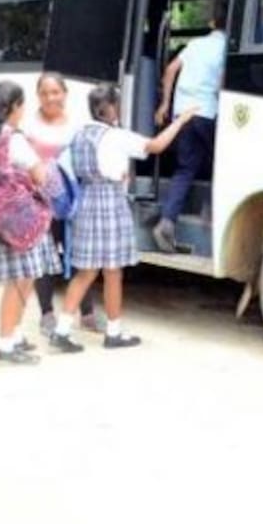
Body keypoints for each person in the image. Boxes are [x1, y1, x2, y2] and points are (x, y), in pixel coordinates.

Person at [51, 83, 196, 352]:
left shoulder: (81, 133)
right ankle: (114, 333)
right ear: (108, 108)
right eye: (116, 103)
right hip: (110, 203)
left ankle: (61, 331)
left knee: (85, 273)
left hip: (87, 202)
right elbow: (156, 146)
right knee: (113, 272)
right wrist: (182, 120)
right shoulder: (117, 136)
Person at [0, 80, 60, 365]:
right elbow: (39, 176)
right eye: (22, 105)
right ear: (14, 107)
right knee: (19, 283)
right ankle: (6, 346)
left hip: (1, 220)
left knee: (20, 280)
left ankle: (13, 336)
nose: (24, 110)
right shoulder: (13, 137)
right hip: (22, 220)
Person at [21, 71, 100, 337]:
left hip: (74, 201)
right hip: (40, 202)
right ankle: (46, 313)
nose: (50, 98)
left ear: (64, 94)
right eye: (44, 93)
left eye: (55, 92)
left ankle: (86, 312)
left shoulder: (78, 125)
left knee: (80, 255)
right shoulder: (29, 126)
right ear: (38, 97)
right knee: (44, 257)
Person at [152, 0, 227, 252]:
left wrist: (165, 104)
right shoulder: (228, 48)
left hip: (182, 113)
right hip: (207, 113)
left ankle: (167, 222)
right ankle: (210, 208)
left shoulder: (195, 44)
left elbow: (171, 69)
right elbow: (220, 86)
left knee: (185, 169)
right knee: (224, 162)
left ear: (211, 23)